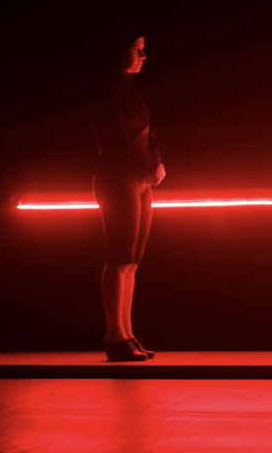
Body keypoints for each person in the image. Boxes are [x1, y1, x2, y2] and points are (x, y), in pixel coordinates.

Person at [90, 33, 166, 362]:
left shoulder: (128, 88)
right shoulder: (108, 89)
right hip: (120, 176)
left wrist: (154, 164)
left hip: (138, 177)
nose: (143, 56)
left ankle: (127, 334)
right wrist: (148, 166)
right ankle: (115, 336)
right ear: (120, 50)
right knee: (120, 257)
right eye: (137, 49)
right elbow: (121, 137)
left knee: (131, 260)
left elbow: (144, 132)